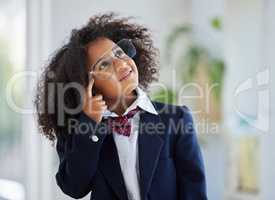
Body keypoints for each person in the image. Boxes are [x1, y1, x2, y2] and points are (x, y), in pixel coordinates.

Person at [35, 12, 207, 200]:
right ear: (87, 85)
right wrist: (89, 125)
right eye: (105, 65)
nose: (121, 63)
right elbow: (75, 187)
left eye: (119, 52)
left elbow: (194, 191)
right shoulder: (79, 130)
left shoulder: (177, 118)